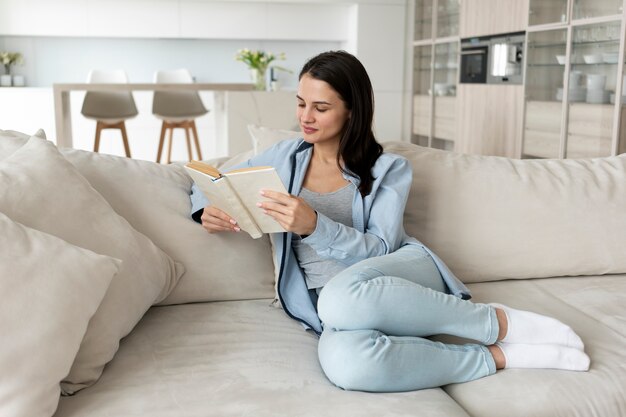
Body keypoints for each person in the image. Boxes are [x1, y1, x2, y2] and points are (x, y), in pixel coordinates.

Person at [190, 50, 590, 392]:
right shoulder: (284, 156)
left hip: (396, 274)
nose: (304, 117)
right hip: (329, 307)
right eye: (300, 103)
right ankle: (499, 356)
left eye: (321, 107)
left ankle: (497, 322)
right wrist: (206, 208)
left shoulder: (388, 169)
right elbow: (209, 178)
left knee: (340, 299)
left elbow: (382, 248)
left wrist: (315, 225)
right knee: (348, 367)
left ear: (351, 110)